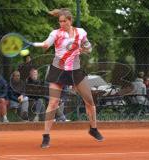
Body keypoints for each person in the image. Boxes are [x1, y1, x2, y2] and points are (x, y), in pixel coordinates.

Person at [32, 8, 104, 148]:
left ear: (70, 21)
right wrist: (44, 45)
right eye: (60, 21)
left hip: (75, 71)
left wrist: (86, 48)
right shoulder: (56, 33)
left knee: (89, 101)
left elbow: (88, 47)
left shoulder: (81, 32)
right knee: (53, 103)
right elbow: (47, 43)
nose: (61, 24)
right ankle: (46, 136)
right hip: (57, 70)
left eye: (64, 21)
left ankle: (93, 129)